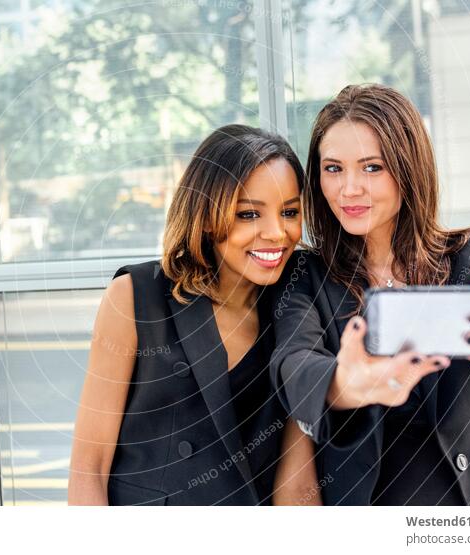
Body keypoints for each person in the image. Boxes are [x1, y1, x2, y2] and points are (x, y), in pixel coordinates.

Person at [270, 84, 470, 506]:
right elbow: (293, 367)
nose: (349, 188)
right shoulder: (305, 275)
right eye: (333, 168)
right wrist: (345, 384)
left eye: (372, 167)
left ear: (408, 168)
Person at [68, 124, 320, 505]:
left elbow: (295, 481)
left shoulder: (295, 304)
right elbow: (90, 466)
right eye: (249, 214)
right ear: (205, 214)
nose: (277, 232)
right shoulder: (135, 296)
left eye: (289, 212)